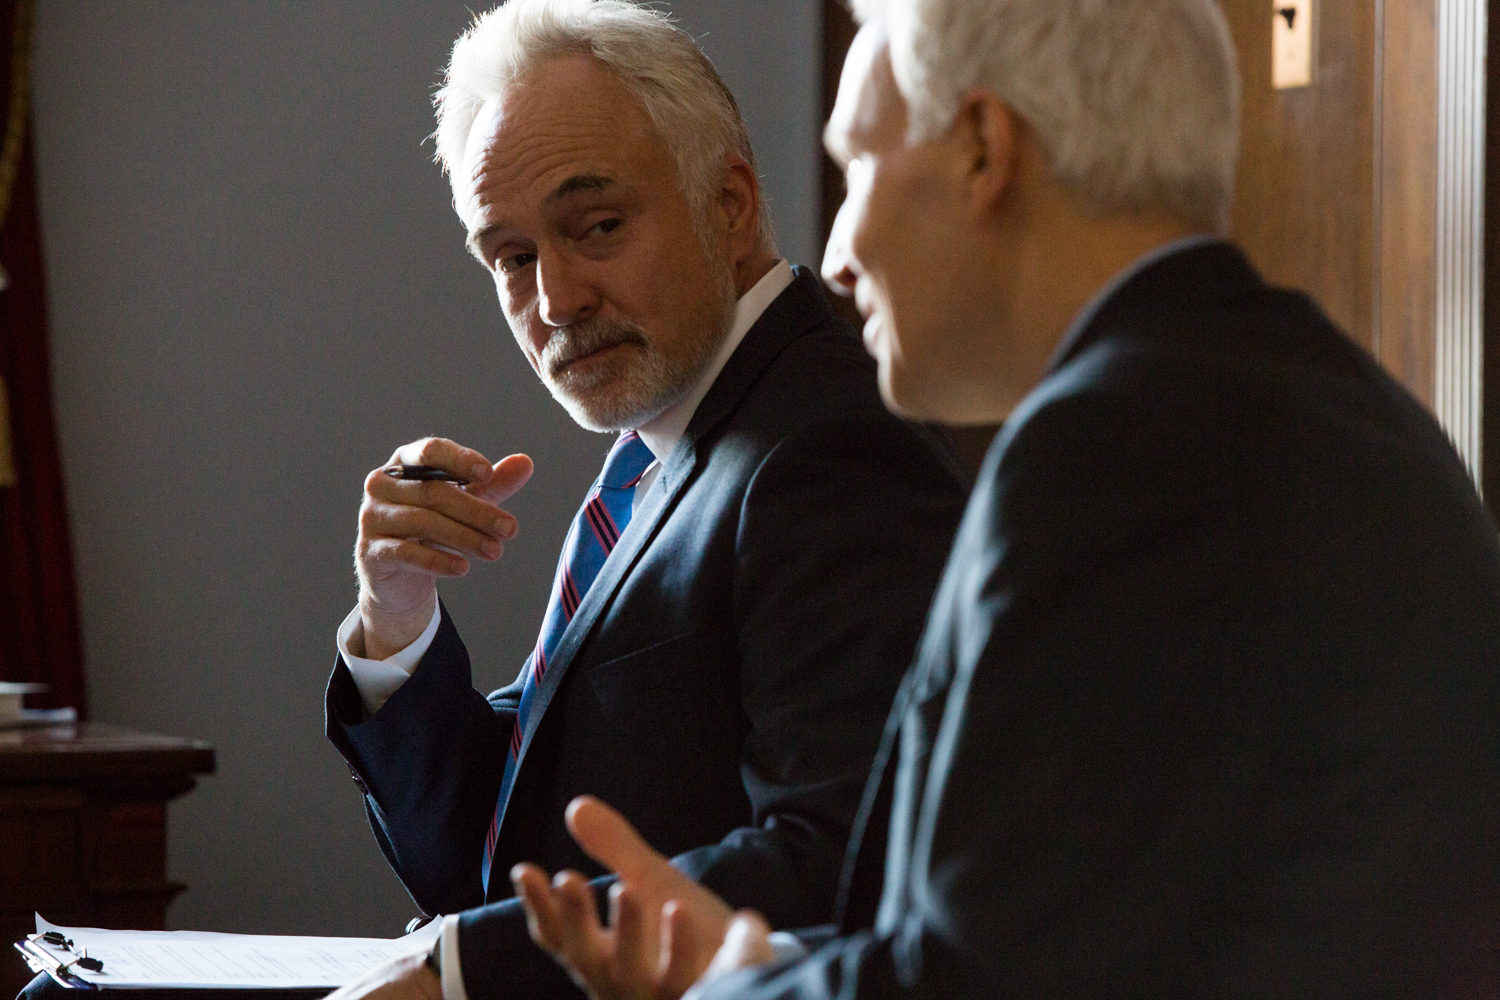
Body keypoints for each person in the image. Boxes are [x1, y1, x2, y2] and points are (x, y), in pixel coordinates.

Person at [503, 0, 1500, 997]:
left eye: (855, 171)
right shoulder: (1322, 400)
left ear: (984, 148)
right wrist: (770, 965)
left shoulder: (1114, 448)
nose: (839, 254)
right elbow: (1086, 934)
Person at [17, 4, 966, 1000]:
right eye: (512, 258)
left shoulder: (824, 443)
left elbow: (843, 861)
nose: (555, 299)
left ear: (728, 204)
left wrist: (463, 972)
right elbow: (482, 854)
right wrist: (398, 618)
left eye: (596, 227)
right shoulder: (679, 443)